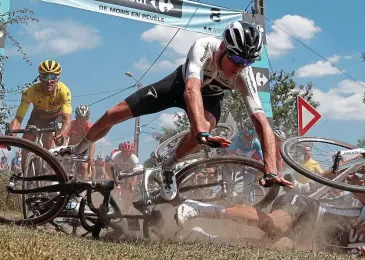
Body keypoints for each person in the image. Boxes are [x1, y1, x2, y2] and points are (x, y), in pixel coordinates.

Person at [58, 21, 292, 202]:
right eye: (237, 58)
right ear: (223, 48)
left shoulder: (243, 74)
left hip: (210, 99)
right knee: (112, 114)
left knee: (206, 126)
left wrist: (270, 169)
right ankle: (77, 149)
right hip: (177, 86)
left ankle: (168, 167)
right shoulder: (204, 47)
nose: (240, 66)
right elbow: (191, 90)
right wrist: (200, 131)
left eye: (247, 61)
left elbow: (262, 123)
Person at [175, 176, 365, 260]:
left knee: (280, 249)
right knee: (276, 224)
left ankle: (205, 237)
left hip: (308, 235)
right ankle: (199, 208)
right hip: (309, 207)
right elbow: (355, 181)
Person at [9, 60, 72, 149]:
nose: (49, 81)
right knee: (26, 143)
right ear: (40, 78)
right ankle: (25, 161)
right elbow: (18, 118)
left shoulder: (64, 92)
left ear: (58, 79)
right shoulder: (30, 92)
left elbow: (66, 120)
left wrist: (61, 133)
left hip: (55, 118)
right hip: (37, 117)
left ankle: (47, 160)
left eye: (53, 76)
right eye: (45, 76)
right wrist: (11, 135)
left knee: (49, 138)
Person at [66, 105, 94, 180]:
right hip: (71, 148)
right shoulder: (71, 125)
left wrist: (90, 156)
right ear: (76, 118)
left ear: (87, 119)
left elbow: (92, 143)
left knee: (84, 167)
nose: (82, 122)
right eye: (80, 119)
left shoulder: (90, 127)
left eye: (84, 120)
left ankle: (86, 187)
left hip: (84, 149)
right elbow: (65, 139)